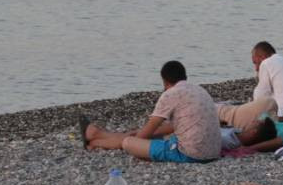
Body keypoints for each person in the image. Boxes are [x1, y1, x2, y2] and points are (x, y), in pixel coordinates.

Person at [81, 61, 221, 163]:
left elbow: (145, 134)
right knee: (150, 134)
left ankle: (95, 142)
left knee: (130, 141)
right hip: (214, 152)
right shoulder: (199, 90)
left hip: (191, 155)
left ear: (164, 81)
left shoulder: (171, 93)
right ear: (185, 77)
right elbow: (177, 125)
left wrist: (134, 135)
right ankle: (97, 135)